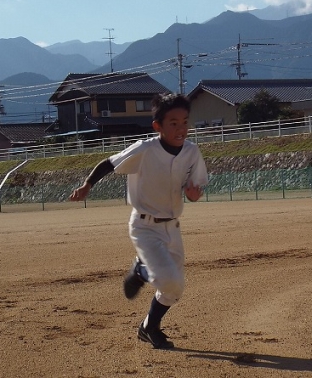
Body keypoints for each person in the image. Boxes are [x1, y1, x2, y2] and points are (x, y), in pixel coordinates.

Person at [69, 93, 208, 349]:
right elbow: (109, 163)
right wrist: (87, 185)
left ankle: (149, 327)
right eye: (173, 123)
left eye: (185, 122)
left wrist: (193, 193)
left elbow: (194, 188)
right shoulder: (145, 149)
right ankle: (141, 270)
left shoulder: (191, 151)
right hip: (145, 226)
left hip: (172, 227)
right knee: (168, 278)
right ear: (158, 126)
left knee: (175, 289)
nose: (181, 128)